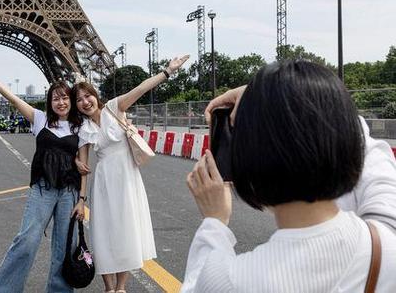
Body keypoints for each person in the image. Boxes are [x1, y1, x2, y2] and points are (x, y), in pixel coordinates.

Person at [182, 60, 396, 293]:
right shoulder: (386, 242)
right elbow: (371, 154)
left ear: (247, 157)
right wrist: (288, 100)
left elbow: (198, 281)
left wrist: (214, 221)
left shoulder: (228, 280)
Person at [0, 58, 86, 293]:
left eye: (65, 98)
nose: (61, 102)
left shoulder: (80, 127)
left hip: (69, 193)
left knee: (64, 246)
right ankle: (3, 290)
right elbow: (11, 97)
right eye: (56, 98)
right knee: (27, 240)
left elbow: (84, 166)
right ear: (49, 102)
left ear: (70, 101)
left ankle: (59, 290)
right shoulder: (40, 119)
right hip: (43, 189)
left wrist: (82, 200)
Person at [73, 55, 190, 293]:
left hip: (126, 179)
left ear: (95, 95)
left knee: (126, 230)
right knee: (103, 234)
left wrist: (167, 71)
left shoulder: (115, 108)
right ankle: (108, 288)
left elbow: (141, 88)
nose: (85, 102)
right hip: (104, 183)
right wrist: (81, 199)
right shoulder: (84, 130)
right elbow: (84, 169)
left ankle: (121, 287)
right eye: (79, 100)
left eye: (88, 96)